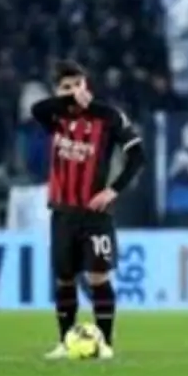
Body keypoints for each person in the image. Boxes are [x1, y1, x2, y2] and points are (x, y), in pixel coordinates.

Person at [31, 60, 145, 360]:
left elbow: (137, 156)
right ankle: (64, 341)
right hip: (62, 212)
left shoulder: (108, 117)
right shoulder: (54, 116)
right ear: (58, 91)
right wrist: (69, 99)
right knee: (64, 279)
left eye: (78, 85)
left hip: (95, 215)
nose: (73, 91)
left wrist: (113, 190)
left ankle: (105, 343)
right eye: (66, 87)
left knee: (98, 277)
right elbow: (36, 109)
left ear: (87, 86)